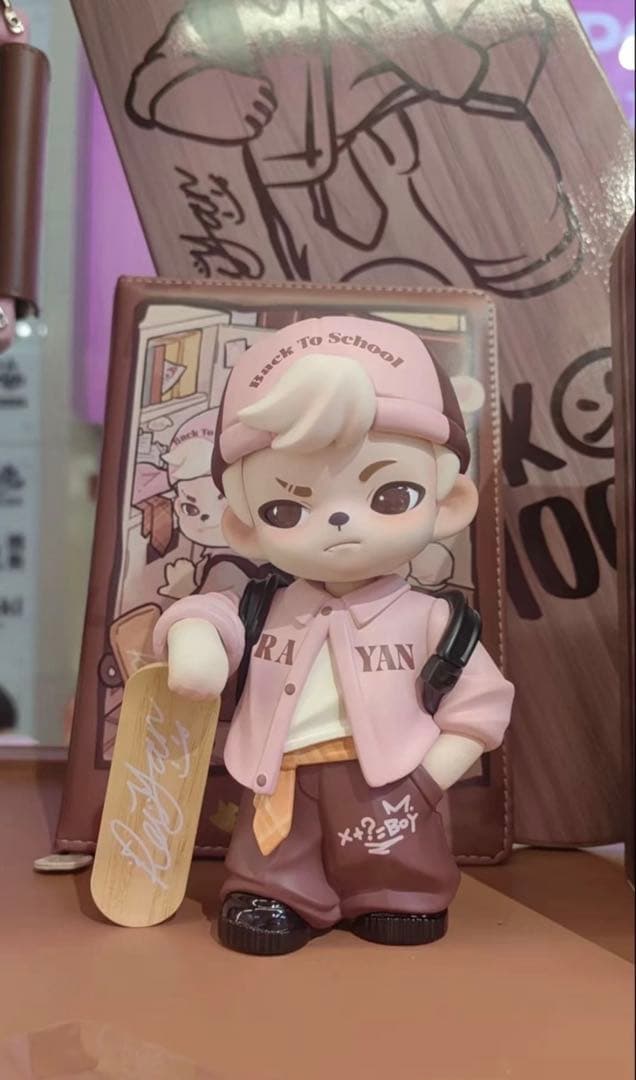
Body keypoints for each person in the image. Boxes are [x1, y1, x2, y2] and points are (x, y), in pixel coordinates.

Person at [153, 316, 514, 954]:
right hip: (281, 775)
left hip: (391, 780)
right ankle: (274, 893)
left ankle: (397, 895)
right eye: (286, 509)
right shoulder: (265, 605)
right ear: (244, 529)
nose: (341, 520)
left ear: (449, 503)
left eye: (392, 495)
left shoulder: (430, 617)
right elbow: (211, 616)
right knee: (273, 858)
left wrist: (429, 779)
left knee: (398, 862)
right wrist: (194, 640)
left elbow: (482, 706)